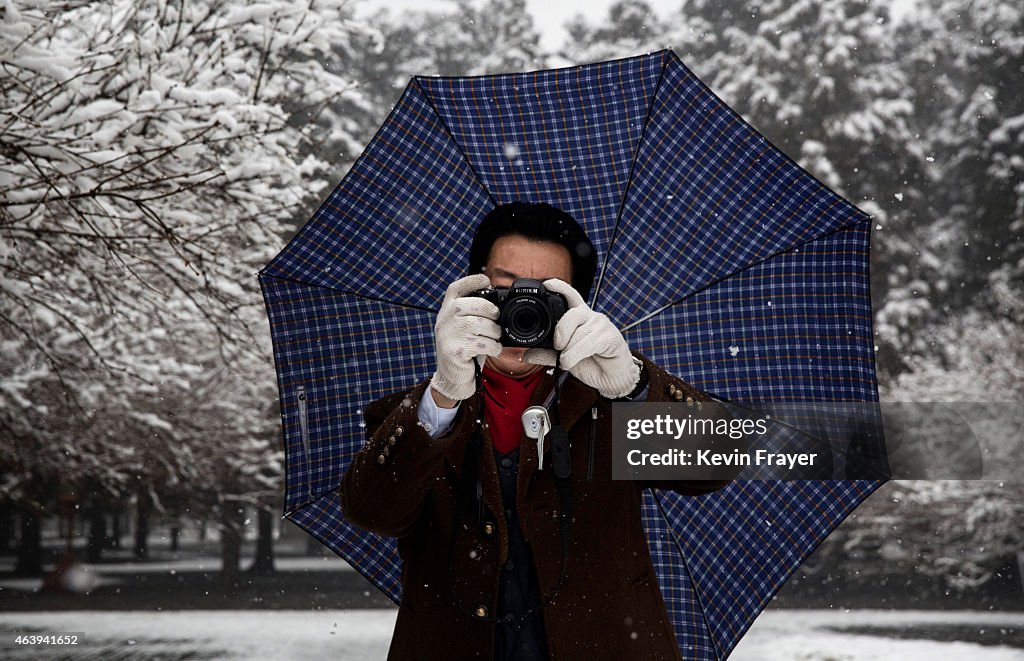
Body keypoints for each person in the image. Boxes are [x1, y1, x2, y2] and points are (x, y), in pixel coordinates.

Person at [340, 202, 732, 660]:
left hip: (607, 644)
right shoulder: (416, 411)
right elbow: (372, 512)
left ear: (575, 307)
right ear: (470, 293)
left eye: (543, 297)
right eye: (504, 291)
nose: (519, 314)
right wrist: (443, 397)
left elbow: (719, 459)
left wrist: (636, 385)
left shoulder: (610, 396)